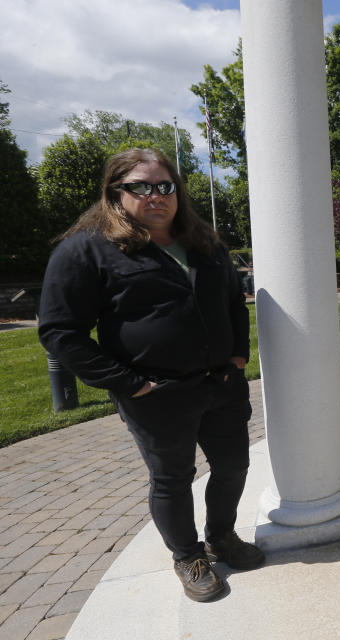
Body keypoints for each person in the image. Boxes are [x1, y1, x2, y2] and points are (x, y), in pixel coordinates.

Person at [38, 148, 264, 602]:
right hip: (156, 394)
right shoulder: (86, 248)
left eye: (165, 186)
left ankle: (221, 536)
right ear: (115, 192)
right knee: (172, 479)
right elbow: (61, 331)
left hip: (220, 383)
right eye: (140, 187)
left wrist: (238, 357)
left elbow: (233, 305)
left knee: (234, 466)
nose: (155, 196)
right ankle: (187, 555)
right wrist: (130, 383)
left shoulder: (205, 242)